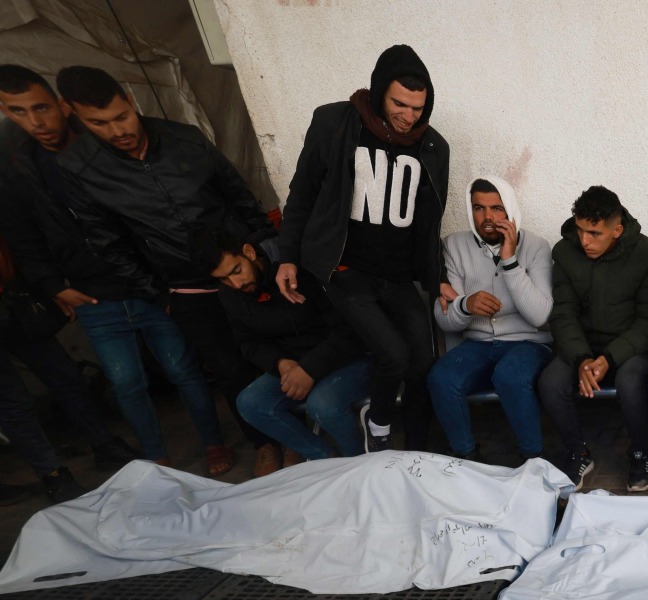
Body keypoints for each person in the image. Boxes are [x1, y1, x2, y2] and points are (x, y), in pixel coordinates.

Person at [53, 65, 280, 477]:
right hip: (186, 290)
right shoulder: (79, 169)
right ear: (75, 117)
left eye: (122, 116)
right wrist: (160, 297)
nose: (117, 130)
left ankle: (297, 436)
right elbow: (109, 243)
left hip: (241, 269)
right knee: (230, 371)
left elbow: (239, 194)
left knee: (277, 350)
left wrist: (267, 251)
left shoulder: (185, 139)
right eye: (98, 123)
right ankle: (264, 443)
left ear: (131, 100)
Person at [0, 64, 228, 473]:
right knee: (126, 383)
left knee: (184, 369)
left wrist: (164, 277)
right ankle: (156, 460)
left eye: (41, 108)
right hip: (92, 295)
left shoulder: (105, 142)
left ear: (62, 105)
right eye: (17, 112)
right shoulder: (19, 167)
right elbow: (23, 236)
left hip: (151, 283)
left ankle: (215, 444)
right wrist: (56, 286)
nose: (36, 122)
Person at [275, 44, 449, 454]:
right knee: (392, 354)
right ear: (377, 91)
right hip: (346, 269)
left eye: (418, 108)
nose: (409, 116)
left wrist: (436, 277)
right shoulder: (335, 123)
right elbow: (302, 194)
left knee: (423, 359)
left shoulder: (432, 146)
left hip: (397, 274)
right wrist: (288, 255)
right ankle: (380, 428)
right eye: (399, 104)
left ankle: (420, 445)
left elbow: (429, 222)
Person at [198, 229, 370, 466]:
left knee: (323, 404)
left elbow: (351, 331)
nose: (235, 283)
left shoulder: (298, 268)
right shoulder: (230, 294)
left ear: (248, 252)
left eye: (236, 271)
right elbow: (247, 342)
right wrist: (280, 363)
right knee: (250, 404)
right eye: (224, 279)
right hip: (295, 364)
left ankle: (359, 464)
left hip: (348, 358)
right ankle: (326, 460)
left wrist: (309, 369)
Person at [538, 185, 648, 491]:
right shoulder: (565, 252)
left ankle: (640, 451)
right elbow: (564, 314)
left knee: (631, 381)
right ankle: (577, 451)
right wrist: (581, 359)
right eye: (581, 230)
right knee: (550, 383)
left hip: (629, 346)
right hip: (582, 344)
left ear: (617, 230)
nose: (584, 240)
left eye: (595, 234)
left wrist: (610, 358)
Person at [0, 230, 138, 504]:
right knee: (13, 401)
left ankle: (103, 444)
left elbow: (20, 244)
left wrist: (49, 289)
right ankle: (54, 476)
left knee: (66, 376)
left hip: (16, 298)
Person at [429, 176, 553, 461]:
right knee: (442, 377)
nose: (487, 217)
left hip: (528, 343)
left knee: (511, 375)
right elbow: (444, 319)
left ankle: (533, 459)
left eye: (497, 208)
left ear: (510, 209)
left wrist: (510, 262)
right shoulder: (454, 246)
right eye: (478, 208)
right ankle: (465, 457)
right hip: (477, 343)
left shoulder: (535, 246)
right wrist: (466, 305)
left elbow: (540, 316)